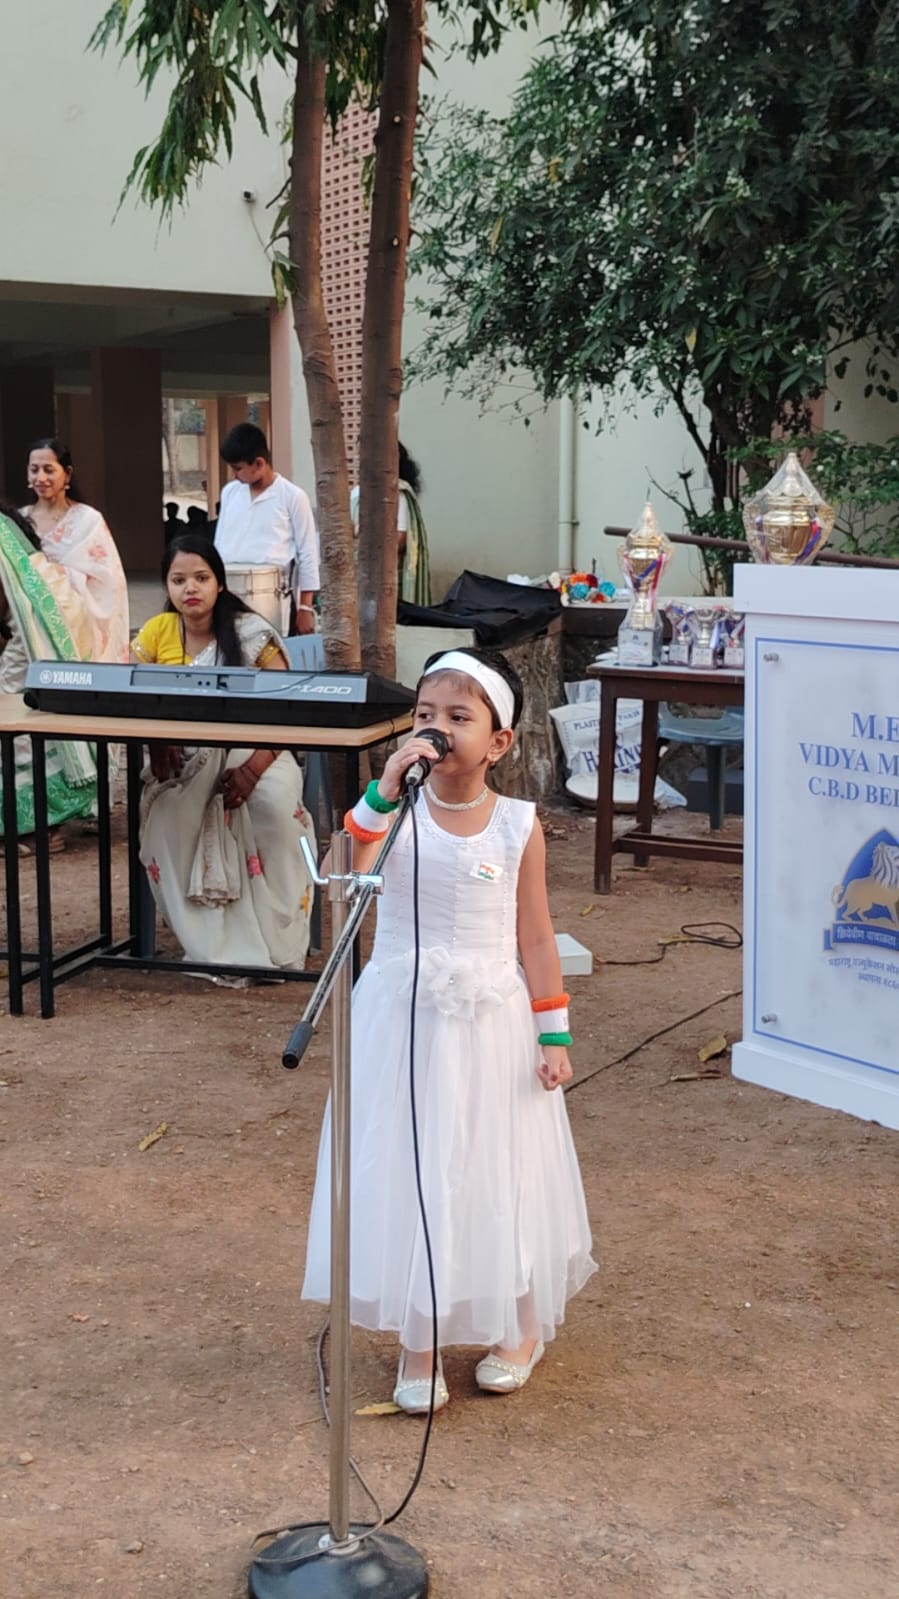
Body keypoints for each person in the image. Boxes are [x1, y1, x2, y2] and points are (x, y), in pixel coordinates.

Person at [302, 647, 595, 1412]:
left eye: (458, 716)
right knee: (414, 1168)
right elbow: (339, 876)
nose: (436, 728)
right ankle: (419, 1340)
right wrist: (379, 792)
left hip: (491, 1021)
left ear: (497, 741)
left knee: (496, 1168)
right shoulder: (394, 812)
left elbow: (535, 935)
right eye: (424, 715)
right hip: (402, 1015)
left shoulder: (518, 826)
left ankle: (519, 1325)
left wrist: (553, 1034)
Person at [132, 534, 316, 980]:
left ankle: (276, 946)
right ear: (167, 586)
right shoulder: (156, 633)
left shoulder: (250, 633)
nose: (190, 589)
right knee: (169, 817)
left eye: (201, 577)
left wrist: (252, 770)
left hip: (261, 752)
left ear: (219, 583)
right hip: (187, 758)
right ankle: (209, 943)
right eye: (178, 580)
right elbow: (130, 696)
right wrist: (157, 743)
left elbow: (288, 712)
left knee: (272, 810)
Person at [0, 439, 129, 845]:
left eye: (49, 469)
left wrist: (54, 584)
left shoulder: (87, 521)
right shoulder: (18, 522)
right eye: (34, 469)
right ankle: (34, 817)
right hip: (27, 631)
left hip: (74, 630)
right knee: (25, 721)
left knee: (60, 722)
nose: (40, 477)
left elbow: (108, 583)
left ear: (67, 474)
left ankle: (74, 809)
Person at [214, 422, 319, 636]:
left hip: (273, 598)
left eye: (238, 468)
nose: (234, 475)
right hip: (229, 593)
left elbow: (308, 554)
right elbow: (219, 543)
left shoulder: (292, 496)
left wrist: (305, 607)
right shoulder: (230, 493)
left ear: (259, 463)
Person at [350, 439, 432, 606]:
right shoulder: (357, 492)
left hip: (386, 574)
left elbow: (400, 537)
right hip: (357, 570)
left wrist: (375, 559)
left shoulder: (398, 492)